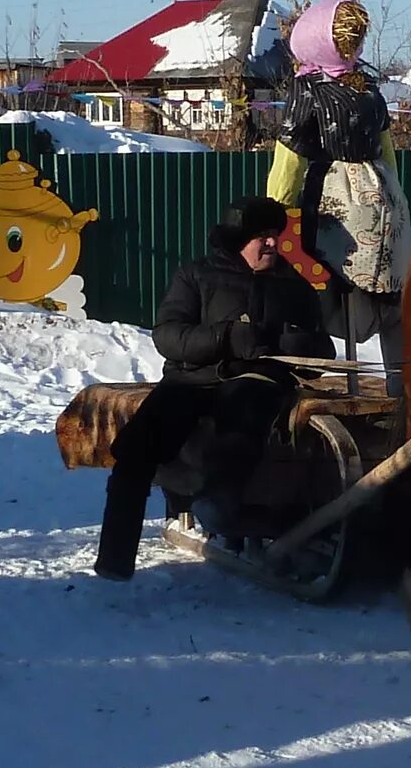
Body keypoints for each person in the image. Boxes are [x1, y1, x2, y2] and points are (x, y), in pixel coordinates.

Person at [93, 195, 328, 580]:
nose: (271, 244)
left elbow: (323, 351)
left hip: (258, 381)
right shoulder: (197, 275)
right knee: (136, 448)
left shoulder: (294, 286)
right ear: (238, 239)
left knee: (238, 425)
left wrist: (296, 345)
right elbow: (168, 335)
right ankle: (115, 559)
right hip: (192, 377)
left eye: (275, 236)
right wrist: (225, 338)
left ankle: (223, 512)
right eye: (260, 237)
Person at [268, 0, 411, 380]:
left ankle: (340, 377)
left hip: (339, 203)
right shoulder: (370, 91)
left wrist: (274, 213)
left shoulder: (308, 90)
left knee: (327, 283)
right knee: (392, 298)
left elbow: (290, 159)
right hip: (385, 198)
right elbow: (388, 153)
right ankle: (402, 384)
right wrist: (393, 199)